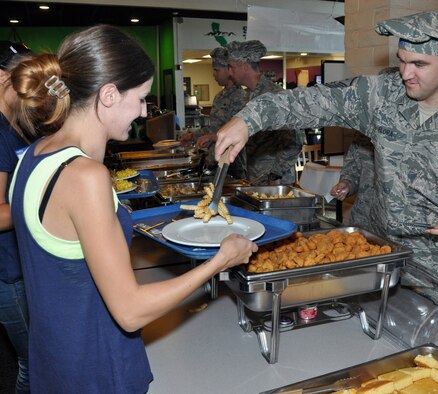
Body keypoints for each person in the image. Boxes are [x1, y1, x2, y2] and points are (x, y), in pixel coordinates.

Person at [215, 8, 438, 320]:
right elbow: (311, 101)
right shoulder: (382, 95)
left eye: (419, 64)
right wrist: (249, 119)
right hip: (381, 258)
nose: (406, 73)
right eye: (401, 61)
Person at [8, 25, 257, 391]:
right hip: (96, 369)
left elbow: (67, 259)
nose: (143, 111)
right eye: (140, 98)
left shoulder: (33, 155)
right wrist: (221, 260)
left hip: (55, 362)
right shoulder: (86, 176)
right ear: (108, 94)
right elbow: (130, 311)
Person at [0, 40, 32, 394]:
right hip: (7, 275)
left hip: (22, 264)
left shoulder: (16, 127)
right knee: (33, 362)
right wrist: (47, 201)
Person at [226, 40, 302, 185]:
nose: (229, 72)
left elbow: (294, 141)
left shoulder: (275, 96)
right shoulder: (249, 95)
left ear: (244, 66)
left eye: (231, 67)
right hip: (255, 177)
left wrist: (276, 175)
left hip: (274, 182)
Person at [179, 47, 248, 179]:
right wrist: (192, 136)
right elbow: (213, 128)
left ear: (229, 70)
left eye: (217, 70)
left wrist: (211, 137)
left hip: (232, 162)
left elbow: (237, 132)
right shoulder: (219, 96)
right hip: (214, 159)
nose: (214, 74)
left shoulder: (241, 97)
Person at [329, 134, 375, 230]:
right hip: (364, 219)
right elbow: (352, 170)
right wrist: (347, 183)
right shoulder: (364, 133)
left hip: (402, 229)